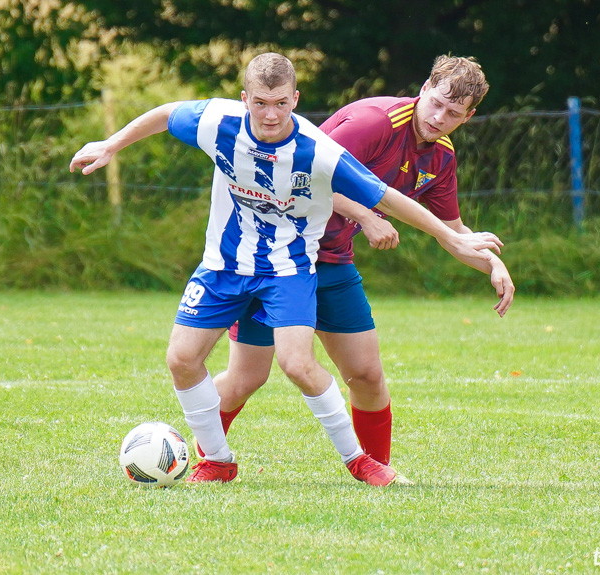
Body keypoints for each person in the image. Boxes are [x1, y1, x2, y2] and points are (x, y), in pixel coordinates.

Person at [69, 52, 502, 486]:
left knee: (345, 370)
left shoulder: (400, 154)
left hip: (305, 263)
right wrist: (110, 144)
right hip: (236, 263)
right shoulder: (365, 123)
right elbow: (170, 115)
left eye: (454, 113)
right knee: (231, 373)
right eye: (260, 103)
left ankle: (370, 466)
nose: (440, 117)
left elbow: (401, 204)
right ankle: (214, 460)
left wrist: (481, 257)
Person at [208, 54, 515, 470]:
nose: (440, 117)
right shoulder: (375, 123)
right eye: (437, 103)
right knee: (247, 378)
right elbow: (296, 174)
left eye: (454, 113)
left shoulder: (440, 157)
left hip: (332, 260)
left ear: (468, 116)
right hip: (273, 254)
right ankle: (205, 456)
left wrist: (493, 265)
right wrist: (366, 215)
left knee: (367, 376)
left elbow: (451, 229)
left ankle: (378, 470)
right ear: (424, 89)